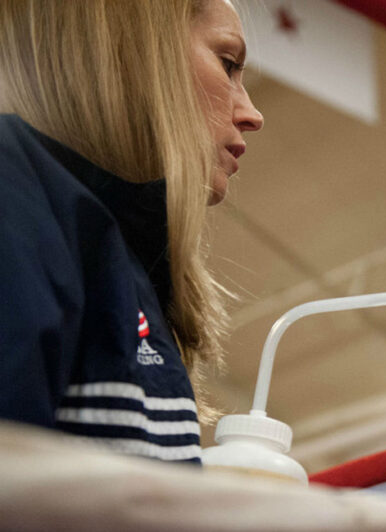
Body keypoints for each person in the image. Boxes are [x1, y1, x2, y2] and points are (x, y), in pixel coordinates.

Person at [0, 0, 263, 463]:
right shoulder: (15, 196)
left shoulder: (121, 257)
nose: (252, 113)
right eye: (228, 64)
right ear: (138, 51)